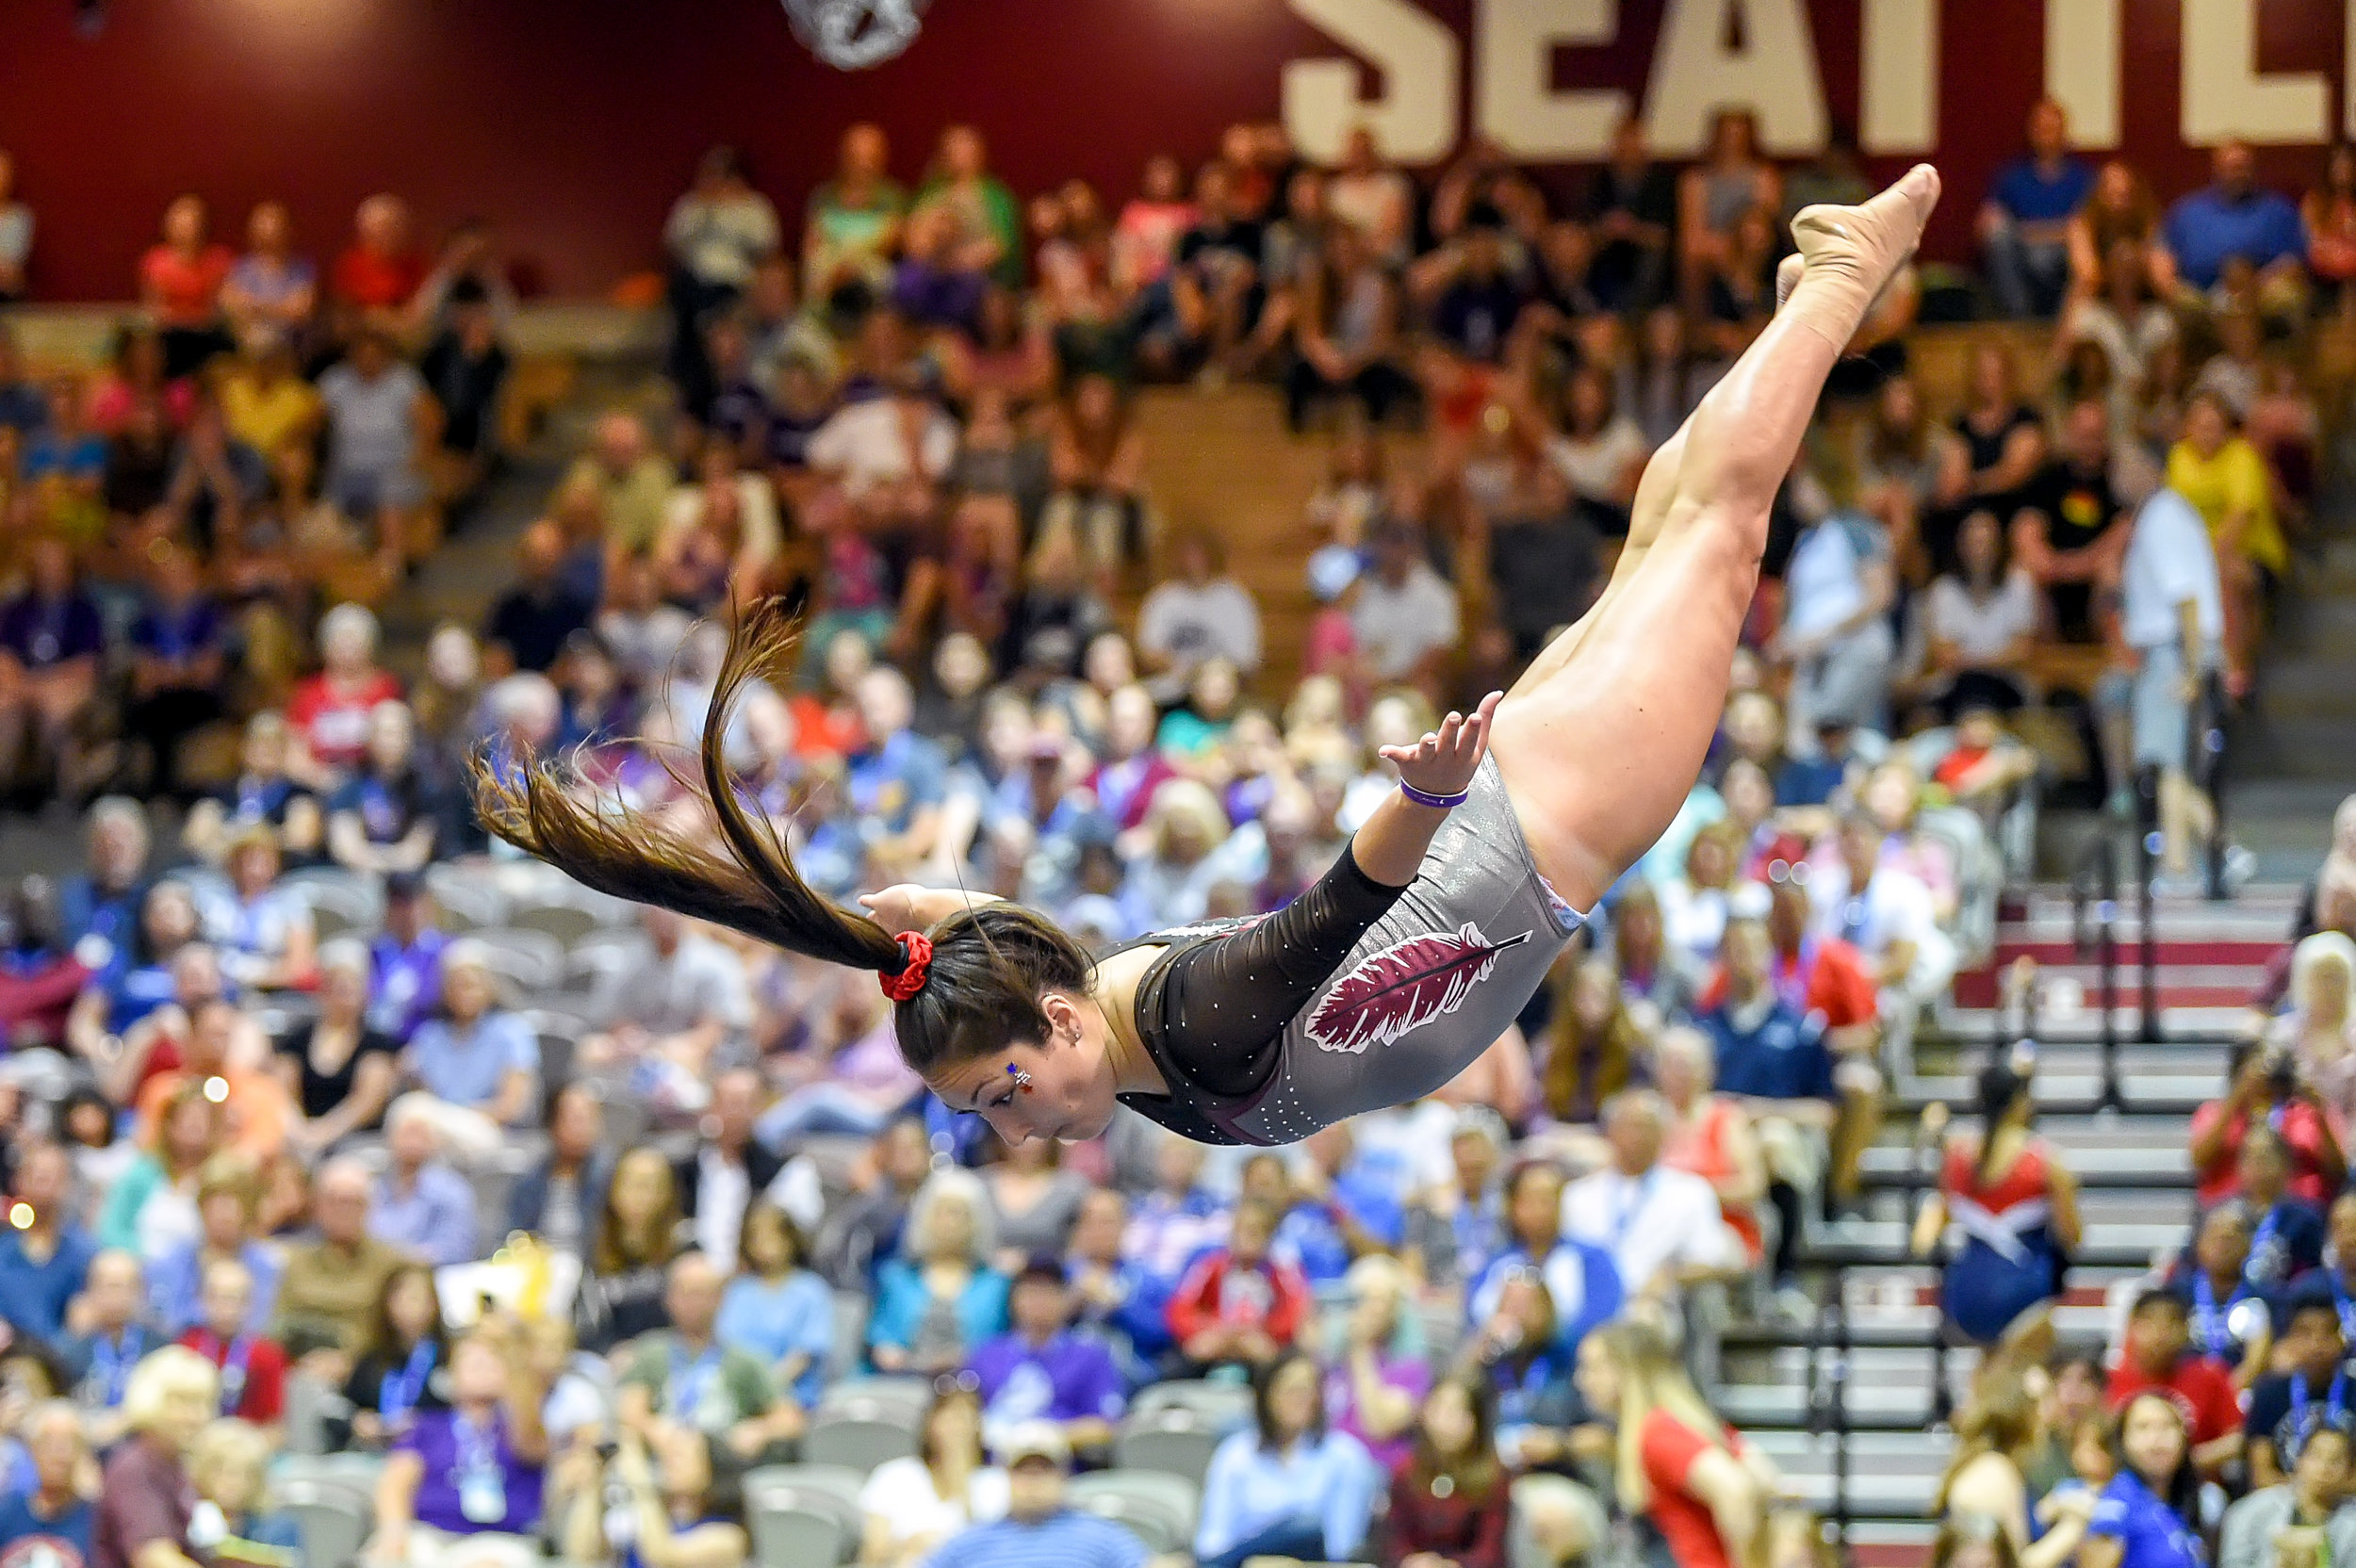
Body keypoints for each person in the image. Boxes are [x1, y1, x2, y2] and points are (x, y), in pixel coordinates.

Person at [473, 169, 1946, 1151]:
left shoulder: (1181, 1022)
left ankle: (1837, 279)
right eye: (985, 1110)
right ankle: (1810, 295)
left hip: (1531, 837)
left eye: (1002, 1092)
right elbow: (953, 931)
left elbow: (1324, 920)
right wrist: (864, 932)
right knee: (1676, 526)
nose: (1011, 1124)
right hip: (1509, 824)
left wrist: (1425, 800)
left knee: (1719, 530)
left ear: (1056, 1026)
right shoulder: (1070, 997)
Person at [1574, 1319, 1778, 1568]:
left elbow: (1737, 1491)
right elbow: (1767, 1479)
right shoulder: (1689, 1422)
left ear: (1623, 1370)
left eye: (1591, 1368)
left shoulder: (1659, 1436)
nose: (1581, 1381)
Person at [1912, 1054, 2081, 1348]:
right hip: (2026, 1292)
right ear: (2021, 1102)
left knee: (1990, 1374)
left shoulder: (1957, 1156)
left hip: (1968, 1293)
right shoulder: (2046, 1162)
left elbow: (1926, 1235)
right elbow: (2072, 1235)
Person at [369, 1329, 549, 1568]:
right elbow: (395, 1483)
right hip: (429, 1534)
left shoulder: (522, 1427)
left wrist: (517, 1379)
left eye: (491, 1360)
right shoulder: (429, 1427)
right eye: (470, 1361)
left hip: (500, 1539)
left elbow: (535, 1447)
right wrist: (394, 1531)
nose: (480, 1367)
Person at [1195, 1349, 1382, 1568]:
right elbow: (1212, 1543)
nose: (1299, 1399)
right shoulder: (1235, 1455)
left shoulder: (1346, 1457)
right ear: (1266, 1394)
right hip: (1242, 1565)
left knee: (1306, 1528)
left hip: (1312, 1565)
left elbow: (1342, 1548)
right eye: (1290, 1389)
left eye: (1307, 1390)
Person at [617, 1251, 803, 1464]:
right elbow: (630, 1411)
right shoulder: (651, 1351)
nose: (690, 1303)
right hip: (663, 1450)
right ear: (668, 1298)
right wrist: (654, 1429)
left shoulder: (746, 1359)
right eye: (682, 1293)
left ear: (720, 1299)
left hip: (720, 1457)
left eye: (699, 1294)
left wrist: (759, 1430)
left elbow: (790, 1418)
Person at [1561, 1091, 1742, 1307]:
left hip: (1655, 1303)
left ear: (1663, 1134)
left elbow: (1710, 1258)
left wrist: (1671, 1277)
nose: (1637, 1136)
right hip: (1587, 1302)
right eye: (1628, 1126)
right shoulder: (1577, 1195)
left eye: (1646, 1127)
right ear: (1609, 1132)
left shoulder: (1692, 1192)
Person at [923, 1421, 1152, 1568]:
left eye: (1043, 1470)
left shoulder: (1103, 1536)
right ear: (1007, 1476)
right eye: (1024, 1471)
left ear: (1063, 1475)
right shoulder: (970, 1541)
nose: (1033, 1482)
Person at [1932, 1362, 2095, 1568]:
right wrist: (2075, 1523)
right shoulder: (1992, 1473)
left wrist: (2050, 1507)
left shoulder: (1999, 1466)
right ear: (2016, 1409)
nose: (2051, 1411)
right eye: (2041, 1400)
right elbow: (2015, 1563)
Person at [965, 1255, 1126, 1460]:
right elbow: (960, 1416)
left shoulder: (1090, 1357)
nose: (1039, 1302)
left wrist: (1048, 1436)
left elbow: (1105, 1426)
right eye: (1030, 1293)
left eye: (1048, 1293)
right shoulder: (987, 1354)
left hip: (1062, 1467)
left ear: (1064, 1299)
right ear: (1014, 1300)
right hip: (993, 1466)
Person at [859, 1381, 1008, 1568]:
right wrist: (910, 1544)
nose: (956, 1428)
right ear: (930, 1424)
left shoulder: (995, 1483)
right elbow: (874, 1554)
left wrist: (961, 1479)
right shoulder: (894, 1475)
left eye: (965, 1418)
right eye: (949, 1417)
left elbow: (998, 1551)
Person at [92, 1345, 216, 1568]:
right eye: (184, 1403)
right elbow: (153, 1558)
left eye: (203, 1403)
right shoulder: (135, 1467)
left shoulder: (175, 1463)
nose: (196, 1416)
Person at [1376, 1374, 1513, 1568]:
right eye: (1438, 1409)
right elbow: (1394, 1542)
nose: (1445, 1421)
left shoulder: (1495, 1477)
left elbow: (1491, 1551)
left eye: (1457, 1412)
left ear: (1477, 1420)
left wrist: (1450, 1565)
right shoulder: (1405, 1472)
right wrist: (1411, 1561)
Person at [274, 1155, 404, 1357]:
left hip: (364, 1371)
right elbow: (279, 1325)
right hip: (299, 1364)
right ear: (317, 1205)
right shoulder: (294, 1259)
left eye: (353, 1202)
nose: (343, 1210)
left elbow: (394, 1335)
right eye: (334, 1201)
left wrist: (348, 1362)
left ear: (369, 1207)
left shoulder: (391, 1263)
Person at [2104, 1290, 2245, 1476]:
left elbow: (2238, 1439)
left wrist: (2179, 1464)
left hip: (2196, 1489)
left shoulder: (2210, 1376)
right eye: (2149, 1323)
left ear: (2186, 1329)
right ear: (2132, 1328)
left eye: (2172, 1323)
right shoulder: (2108, 1380)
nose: (2160, 1334)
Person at [1165, 1198, 1311, 1374]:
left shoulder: (1282, 1271)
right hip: (1215, 1341)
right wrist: (1209, 1330)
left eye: (1256, 1231)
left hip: (1260, 1345)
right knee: (1176, 1364)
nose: (1248, 1238)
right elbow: (1179, 1309)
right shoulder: (1210, 1266)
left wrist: (1266, 1333)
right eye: (1242, 1229)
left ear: (1269, 1235)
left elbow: (1294, 1312)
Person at [713, 1200, 831, 1412]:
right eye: (756, 1237)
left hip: (792, 1398)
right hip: (736, 1398)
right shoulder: (738, 1290)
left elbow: (804, 1356)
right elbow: (724, 1346)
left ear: (790, 1238)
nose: (765, 1244)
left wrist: (765, 1389)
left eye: (773, 1235)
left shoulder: (811, 1290)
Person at [2158, 139, 2307, 307]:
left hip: (2263, 297)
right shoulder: (2187, 211)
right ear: (2216, 169)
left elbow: (2294, 262)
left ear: (2254, 169)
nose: (2238, 174)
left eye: (2243, 167)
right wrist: (2170, 287)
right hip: (2200, 300)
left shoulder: (2278, 210)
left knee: (2286, 297)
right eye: (2231, 168)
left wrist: (2255, 285)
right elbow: (2162, 256)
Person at [1980, 100, 2094, 318]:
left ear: (2064, 132)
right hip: (2021, 253)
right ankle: (2019, 319)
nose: (2047, 135)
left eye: (2052, 128)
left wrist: (2037, 233)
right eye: (2041, 129)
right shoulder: (2012, 177)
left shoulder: (2083, 179)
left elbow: (2086, 226)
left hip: (2064, 253)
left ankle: (2067, 318)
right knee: (1999, 236)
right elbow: (1987, 225)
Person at [574, 1149, 685, 1356]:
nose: (640, 1195)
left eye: (651, 1185)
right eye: (632, 1184)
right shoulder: (591, 1250)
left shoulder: (685, 1247)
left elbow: (696, 1322)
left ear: (668, 1193)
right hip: (609, 1362)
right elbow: (586, 1329)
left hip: (671, 1359)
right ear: (613, 1190)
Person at [2242, 1289, 2354, 1488]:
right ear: (2289, 1340)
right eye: (2306, 1333)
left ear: (2342, 1339)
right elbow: (2261, 1474)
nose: (2317, 1344)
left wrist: (2322, 1491)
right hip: (2282, 1502)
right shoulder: (2269, 1392)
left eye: (2328, 1332)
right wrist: (2307, 1491)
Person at [2081, 1392, 2205, 1568]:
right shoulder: (2119, 1501)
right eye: (2143, 1427)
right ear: (2122, 1439)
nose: (2156, 1438)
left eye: (2167, 1426)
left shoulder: (2184, 1501)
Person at [342, 1262, 450, 1449]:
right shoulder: (372, 1357)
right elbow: (349, 1405)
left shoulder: (449, 1356)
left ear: (434, 1304)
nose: (409, 1304)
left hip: (432, 1450)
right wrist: (359, 1421)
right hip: (374, 1450)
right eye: (400, 1296)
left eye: (416, 1297)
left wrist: (422, 1424)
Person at [2219, 1421, 2356, 1568]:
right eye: (2316, 1456)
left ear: (2350, 1472)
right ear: (2299, 1460)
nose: (2324, 1469)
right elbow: (2233, 1562)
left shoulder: (2352, 1525)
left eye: (2335, 1461)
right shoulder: (2254, 1510)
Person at [0, 1139, 95, 1346]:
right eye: (38, 1176)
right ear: (19, 1181)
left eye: (54, 1177)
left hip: (63, 1363)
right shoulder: (3, 1250)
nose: (45, 1184)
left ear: (68, 1184)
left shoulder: (85, 1253)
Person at [175, 1258, 287, 1428]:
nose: (227, 1308)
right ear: (203, 1300)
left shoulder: (267, 1355)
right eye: (218, 1298)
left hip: (246, 1444)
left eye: (235, 1299)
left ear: (249, 1304)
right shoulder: (185, 1349)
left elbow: (274, 1426)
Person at [185, 1416, 303, 1565]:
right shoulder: (185, 1520)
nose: (230, 1482)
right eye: (219, 1470)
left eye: (243, 1473)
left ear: (257, 1479)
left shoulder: (278, 1528)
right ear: (201, 1471)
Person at [0, 1400, 94, 1563]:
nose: (61, 1454)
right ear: (32, 1449)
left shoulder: (96, 1518)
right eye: (49, 1442)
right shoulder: (7, 1510)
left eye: (71, 1443)